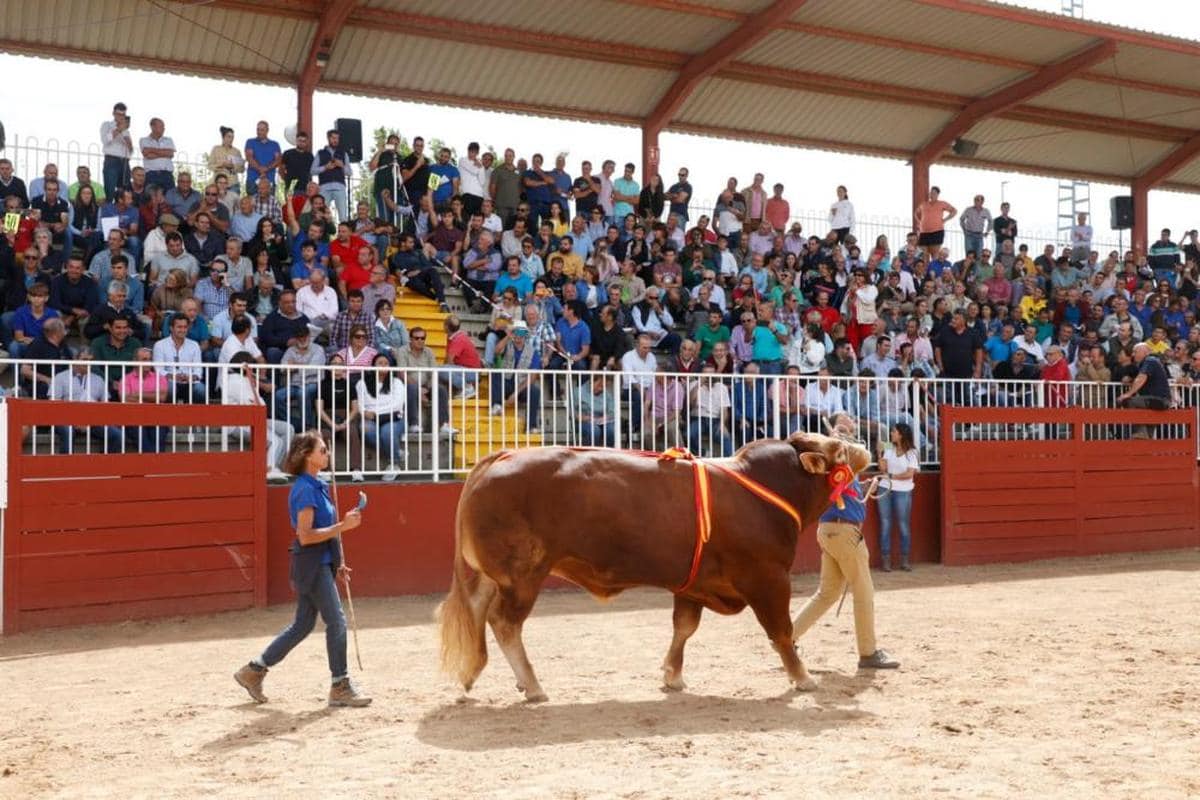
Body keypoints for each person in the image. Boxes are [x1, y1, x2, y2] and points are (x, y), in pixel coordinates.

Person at [234, 431, 370, 707]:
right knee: (337, 622)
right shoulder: (306, 489)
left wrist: (338, 561)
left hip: (317, 564)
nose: (327, 453)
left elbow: (324, 533)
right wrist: (343, 527)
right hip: (312, 566)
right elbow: (305, 536)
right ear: (308, 455)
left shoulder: (315, 485)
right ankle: (340, 684)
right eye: (322, 449)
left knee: (302, 625)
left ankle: (254, 670)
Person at [792, 412, 900, 670]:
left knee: (827, 593)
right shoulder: (841, 458)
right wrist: (839, 437)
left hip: (829, 530)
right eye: (846, 419)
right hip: (845, 533)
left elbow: (846, 491)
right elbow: (864, 454)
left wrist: (863, 488)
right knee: (863, 591)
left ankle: (786, 638)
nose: (851, 420)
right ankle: (868, 652)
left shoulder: (836, 468)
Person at [356, 353, 408, 477]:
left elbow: (397, 405)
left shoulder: (396, 382)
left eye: (386, 363)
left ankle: (394, 464)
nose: (383, 366)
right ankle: (396, 451)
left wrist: (374, 413)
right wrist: (364, 412)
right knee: (365, 428)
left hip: (393, 418)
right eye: (380, 363)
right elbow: (360, 404)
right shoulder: (362, 383)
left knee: (387, 431)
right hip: (370, 418)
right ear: (373, 365)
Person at [876, 423, 919, 572]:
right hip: (887, 487)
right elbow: (882, 468)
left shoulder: (912, 452)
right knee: (886, 523)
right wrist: (879, 453)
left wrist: (891, 476)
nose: (891, 434)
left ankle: (903, 560)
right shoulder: (888, 446)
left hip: (901, 489)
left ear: (901, 434)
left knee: (902, 524)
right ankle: (888, 560)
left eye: (894, 431)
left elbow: (910, 474)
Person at [1117, 342, 1171, 439]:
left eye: (1135, 352)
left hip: (1159, 399)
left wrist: (1128, 394)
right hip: (1156, 400)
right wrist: (1131, 379)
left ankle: (1140, 431)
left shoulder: (1150, 360)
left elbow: (1142, 378)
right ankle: (1145, 441)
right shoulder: (1147, 363)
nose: (1133, 354)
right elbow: (1143, 378)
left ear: (1145, 352)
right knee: (1148, 430)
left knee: (1128, 401)